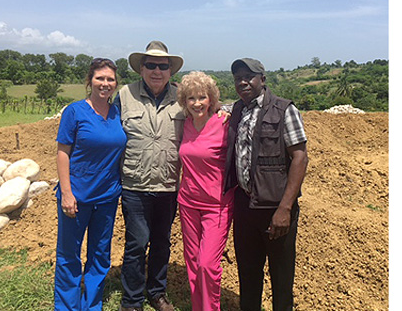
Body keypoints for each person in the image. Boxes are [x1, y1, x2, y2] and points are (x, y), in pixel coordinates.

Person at [225, 58, 308, 311]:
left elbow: (300, 157)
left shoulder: (284, 110)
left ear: (263, 79)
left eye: (249, 76)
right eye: (238, 77)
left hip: (275, 209)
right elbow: (208, 105)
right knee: (248, 275)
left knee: (282, 279)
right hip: (245, 206)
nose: (242, 82)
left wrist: (285, 208)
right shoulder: (237, 110)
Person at [117, 41, 186, 311]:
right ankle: (132, 300)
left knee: (161, 242)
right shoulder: (125, 95)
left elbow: (206, 115)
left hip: (168, 185)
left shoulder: (181, 98)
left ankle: (157, 293)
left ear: (170, 71)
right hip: (134, 184)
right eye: (151, 65)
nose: (156, 70)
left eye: (162, 66)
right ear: (141, 69)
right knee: (136, 242)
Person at [55, 58, 126, 311]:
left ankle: (91, 304)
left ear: (116, 84)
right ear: (90, 81)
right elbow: (63, 152)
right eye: (100, 78)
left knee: (99, 255)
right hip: (77, 196)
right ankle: (66, 306)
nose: (105, 84)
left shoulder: (117, 112)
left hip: (107, 196)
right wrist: (66, 193)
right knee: (69, 255)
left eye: (110, 79)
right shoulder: (74, 112)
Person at [177, 71, 234, 311]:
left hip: (217, 205)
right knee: (192, 262)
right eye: (191, 98)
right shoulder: (185, 122)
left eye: (202, 97)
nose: (197, 103)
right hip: (188, 202)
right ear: (184, 101)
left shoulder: (224, 122)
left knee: (207, 264)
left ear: (211, 98)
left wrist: (228, 108)